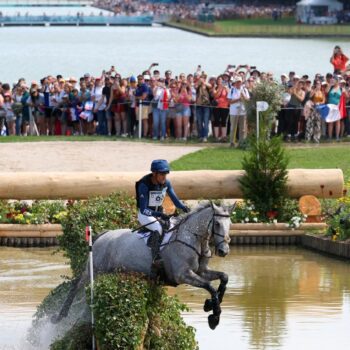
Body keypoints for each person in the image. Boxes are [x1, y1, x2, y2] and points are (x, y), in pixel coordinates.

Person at [135, 159, 190, 277]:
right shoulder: (144, 184)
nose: (164, 177)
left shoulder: (166, 183)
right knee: (158, 229)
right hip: (145, 215)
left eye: (166, 174)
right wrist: (160, 215)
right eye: (162, 174)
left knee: (174, 228)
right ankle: (156, 259)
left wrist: (184, 208)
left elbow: (175, 200)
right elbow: (144, 209)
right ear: (154, 174)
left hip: (159, 214)